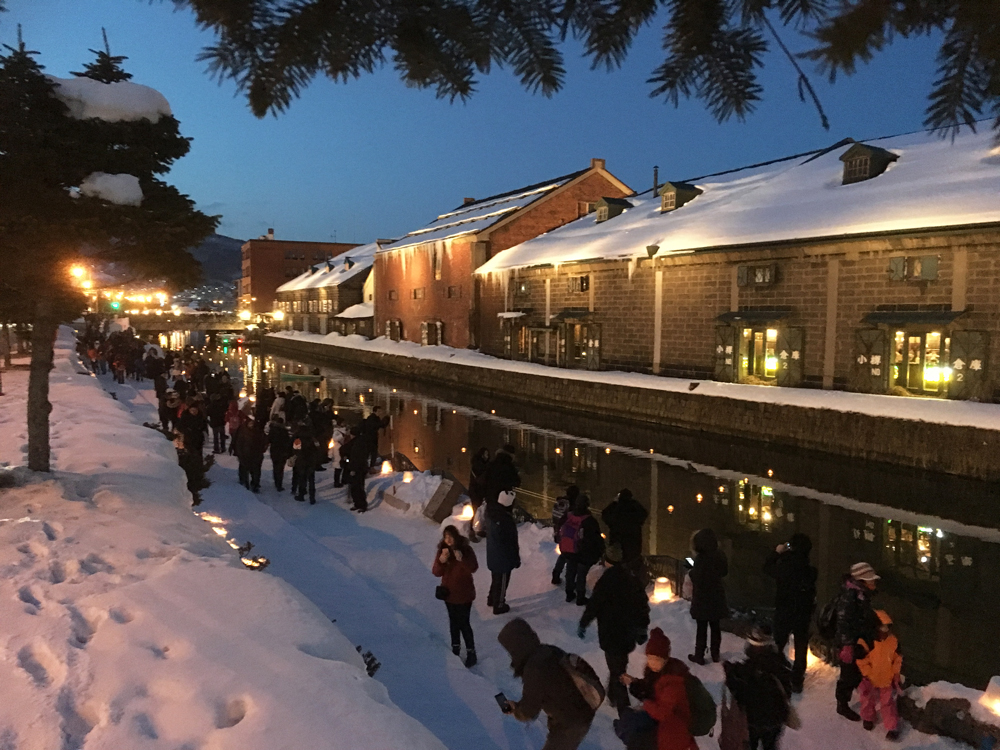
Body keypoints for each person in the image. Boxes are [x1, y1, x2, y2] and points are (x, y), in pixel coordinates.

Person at [498, 618, 598, 750]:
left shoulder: (534, 669)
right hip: (582, 709)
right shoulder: (547, 650)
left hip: (571, 722)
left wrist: (515, 709)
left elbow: (529, 711)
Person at [579, 543, 650, 714]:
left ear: (607, 560)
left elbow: (594, 605)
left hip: (610, 634)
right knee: (618, 665)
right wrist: (641, 628)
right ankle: (612, 695)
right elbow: (642, 605)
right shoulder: (631, 579)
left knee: (617, 671)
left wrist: (584, 622)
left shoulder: (605, 582)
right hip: (628, 633)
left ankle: (624, 710)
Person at [621, 628, 697, 750]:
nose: (652, 663)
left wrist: (645, 704)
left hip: (674, 728)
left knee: (635, 739)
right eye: (650, 658)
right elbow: (651, 691)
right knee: (628, 719)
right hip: (663, 721)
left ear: (666, 659)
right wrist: (634, 682)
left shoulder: (674, 681)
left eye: (657, 659)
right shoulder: (656, 673)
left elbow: (662, 713)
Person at [763, 533, 817, 693]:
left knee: (778, 643)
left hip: (784, 611)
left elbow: (766, 567)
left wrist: (777, 552)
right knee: (801, 648)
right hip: (803, 613)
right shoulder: (811, 571)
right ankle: (797, 680)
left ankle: (776, 673)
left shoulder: (784, 567)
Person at [723, 627, 792, 750]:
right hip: (775, 719)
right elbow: (787, 691)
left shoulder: (745, 671)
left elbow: (737, 691)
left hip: (753, 721)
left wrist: (729, 671)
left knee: (750, 745)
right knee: (770, 745)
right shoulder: (781, 666)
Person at [834, 562, 881, 722]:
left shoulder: (861, 594)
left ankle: (858, 696)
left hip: (859, 642)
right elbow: (843, 622)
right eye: (870, 580)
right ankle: (842, 704)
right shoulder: (850, 596)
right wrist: (847, 645)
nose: (873, 582)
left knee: (857, 672)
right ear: (861, 580)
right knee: (848, 674)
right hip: (851, 644)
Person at [432, 525, 479, 668]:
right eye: (446, 537)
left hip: (464, 594)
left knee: (464, 623)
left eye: (450, 537)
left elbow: (473, 568)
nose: (448, 540)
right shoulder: (443, 551)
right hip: (449, 594)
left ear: (456, 537)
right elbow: (436, 572)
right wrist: (441, 561)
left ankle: (471, 652)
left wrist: (462, 559)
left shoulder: (466, 550)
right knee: (453, 622)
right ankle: (456, 648)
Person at [856, 610, 902, 740]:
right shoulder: (865, 641)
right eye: (882, 626)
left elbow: (897, 659)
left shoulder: (893, 641)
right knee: (866, 699)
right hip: (869, 678)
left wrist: (895, 673)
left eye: (887, 626)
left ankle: (892, 726)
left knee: (887, 703)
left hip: (886, 678)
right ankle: (868, 718)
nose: (885, 629)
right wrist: (868, 673)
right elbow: (861, 660)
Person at [688, 528, 729, 665]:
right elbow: (724, 572)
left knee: (702, 629)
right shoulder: (720, 555)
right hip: (716, 596)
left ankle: (699, 655)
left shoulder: (701, 559)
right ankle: (715, 654)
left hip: (703, 598)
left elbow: (697, 577)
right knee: (715, 627)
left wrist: (691, 572)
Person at [559, 495, 604, 605]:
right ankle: (580, 597)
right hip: (583, 552)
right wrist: (600, 551)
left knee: (570, 571)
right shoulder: (590, 520)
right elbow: (596, 538)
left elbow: (559, 528)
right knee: (581, 575)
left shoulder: (568, 516)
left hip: (569, 550)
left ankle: (569, 594)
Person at [486, 489, 520, 615]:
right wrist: (515, 559)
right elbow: (510, 543)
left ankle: (491, 598)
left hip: (493, 553)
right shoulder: (506, 521)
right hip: (503, 558)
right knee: (503, 580)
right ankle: (499, 604)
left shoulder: (491, 514)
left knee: (496, 577)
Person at [602, 488, 649, 565]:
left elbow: (605, 515)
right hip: (633, 542)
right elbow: (644, 513)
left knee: (618, 564)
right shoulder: (635, 507)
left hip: (617, 542)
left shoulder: (616, 508)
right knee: (632, 563)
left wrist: (614, 502)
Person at [551, 485, 579, 585]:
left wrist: (556, 532)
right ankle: (569, 580)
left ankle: (556, 574)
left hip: (558, 531)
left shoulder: (559, 503)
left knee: (564, 553)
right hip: (568, 533)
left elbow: (554, 518)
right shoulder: (571, 505)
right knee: (570, 555)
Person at [233, 415, 268, 492]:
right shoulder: (242, 430)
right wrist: (238, 452)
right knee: (244, 469)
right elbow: (237, 441)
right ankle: (244, 483)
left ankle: (255, 485)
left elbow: (265, 440)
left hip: (256, 454)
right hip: (245, 454)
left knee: (255, 471)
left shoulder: (258, 430)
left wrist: (262, 449)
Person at [291, 425, 321, 504]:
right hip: (311, 461)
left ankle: (301, 495)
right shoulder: (313, 439)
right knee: (311, 480)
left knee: (302, 479)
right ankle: (312, 498)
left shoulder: (298, 439)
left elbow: (295, 451)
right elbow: (318, 448)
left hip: (301, 461)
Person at [344, 427, 371, 512]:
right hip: (360, 467)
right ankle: (357, 504)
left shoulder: (358, 444)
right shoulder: (359, 441)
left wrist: (353, 469)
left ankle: (362, 505)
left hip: (358, 468)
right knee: (355, 487)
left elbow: (356, 458)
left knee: (358, 487)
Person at [267, 415, 293, 491]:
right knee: (280, 468)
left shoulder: (272, 430)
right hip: (282, 452)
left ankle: (276, 481)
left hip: (274, 451)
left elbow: (269, 440)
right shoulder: (284, 431)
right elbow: (288, 442)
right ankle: (279, 484)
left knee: (275, 466)